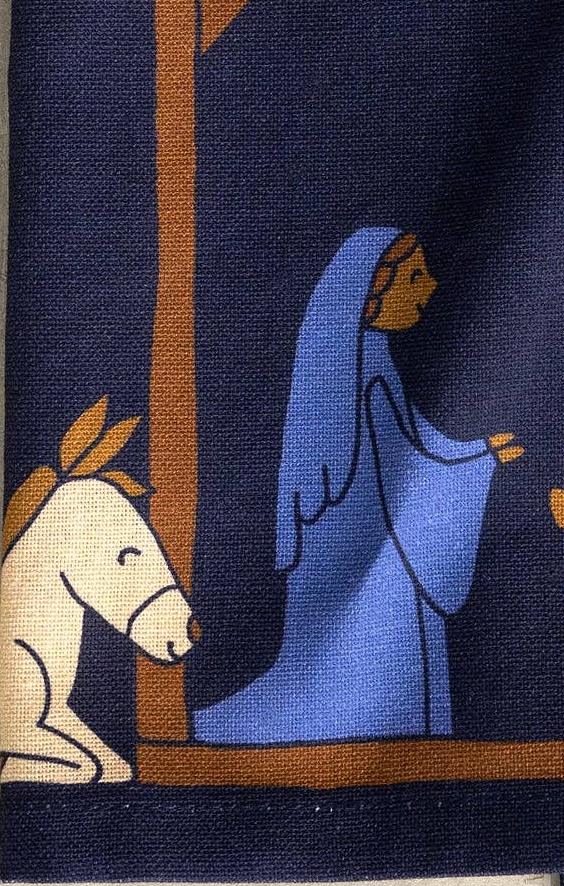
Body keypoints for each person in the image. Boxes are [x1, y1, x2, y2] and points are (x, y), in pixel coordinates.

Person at [193, 227, 522, 744]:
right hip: (363, 544)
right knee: (369, 651)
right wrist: (477, 461)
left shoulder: (366, 360)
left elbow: (412, 444)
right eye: (413, 277)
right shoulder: (352, 373)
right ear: (370, 295)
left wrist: (475, 454)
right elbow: (406, 454)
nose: (431, 286)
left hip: (378, 542)